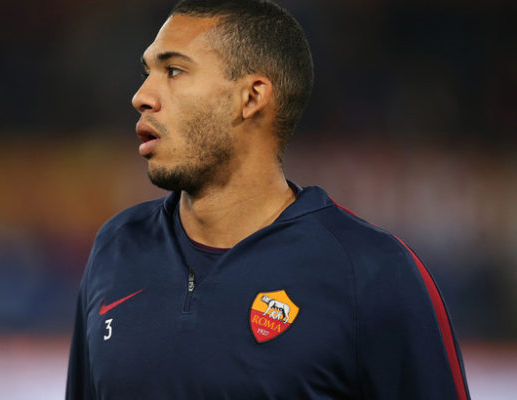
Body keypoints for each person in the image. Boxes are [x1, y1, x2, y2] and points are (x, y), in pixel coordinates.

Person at [66, 0, 470, 398]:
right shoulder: (116, 248)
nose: (142, 96)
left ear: (251, 97)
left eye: (173, 71)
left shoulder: (371, 273)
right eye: (147, 72)